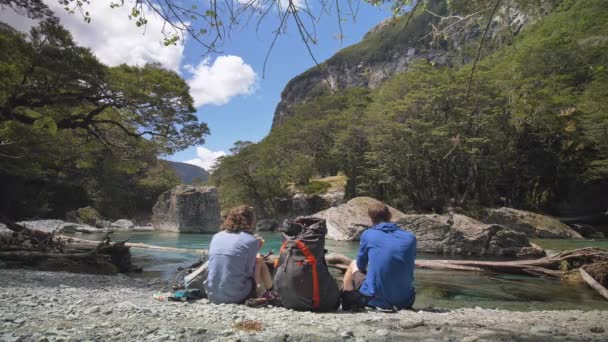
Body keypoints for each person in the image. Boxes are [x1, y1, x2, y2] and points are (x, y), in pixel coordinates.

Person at [342, 202, 416, 311]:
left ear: (371, 219)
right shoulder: (411, 238)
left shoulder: (368, 234)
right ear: (390, 216)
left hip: (374, 300)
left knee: (353, 263)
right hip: (405, 301)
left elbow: (360, 265)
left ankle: (346, 301)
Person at [204, 205, 274, 304]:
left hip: (211, 294)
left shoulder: (216, 236)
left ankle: (268, 291)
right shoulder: (251, 240)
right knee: (259, 260)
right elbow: (249, 271)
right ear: (250, 221)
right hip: (236, 296)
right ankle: (270, 291)